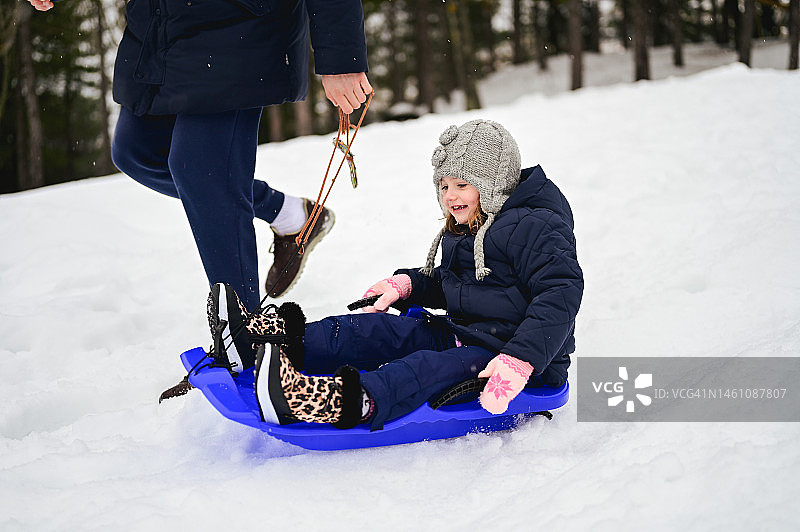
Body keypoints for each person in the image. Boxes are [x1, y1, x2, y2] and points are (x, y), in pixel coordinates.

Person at [208, 119, 583, 430]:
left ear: (493, 183)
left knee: (422, 370)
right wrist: (407, 285)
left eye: (461, 185)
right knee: (374, 329)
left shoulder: (535, 226)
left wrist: (520, 360)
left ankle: (325, 402)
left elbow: (560, 293)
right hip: (462, 332)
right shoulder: (472, 223)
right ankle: (259, 343)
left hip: (510, 358)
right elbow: (456, 285)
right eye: (444, 185)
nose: (450, 196)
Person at [27, 0, 373, 310]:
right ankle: (289, 214)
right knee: (138, 153)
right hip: (159, 26)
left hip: (237, 26)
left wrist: (341, 57)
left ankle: (242, 337)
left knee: (201, 171)